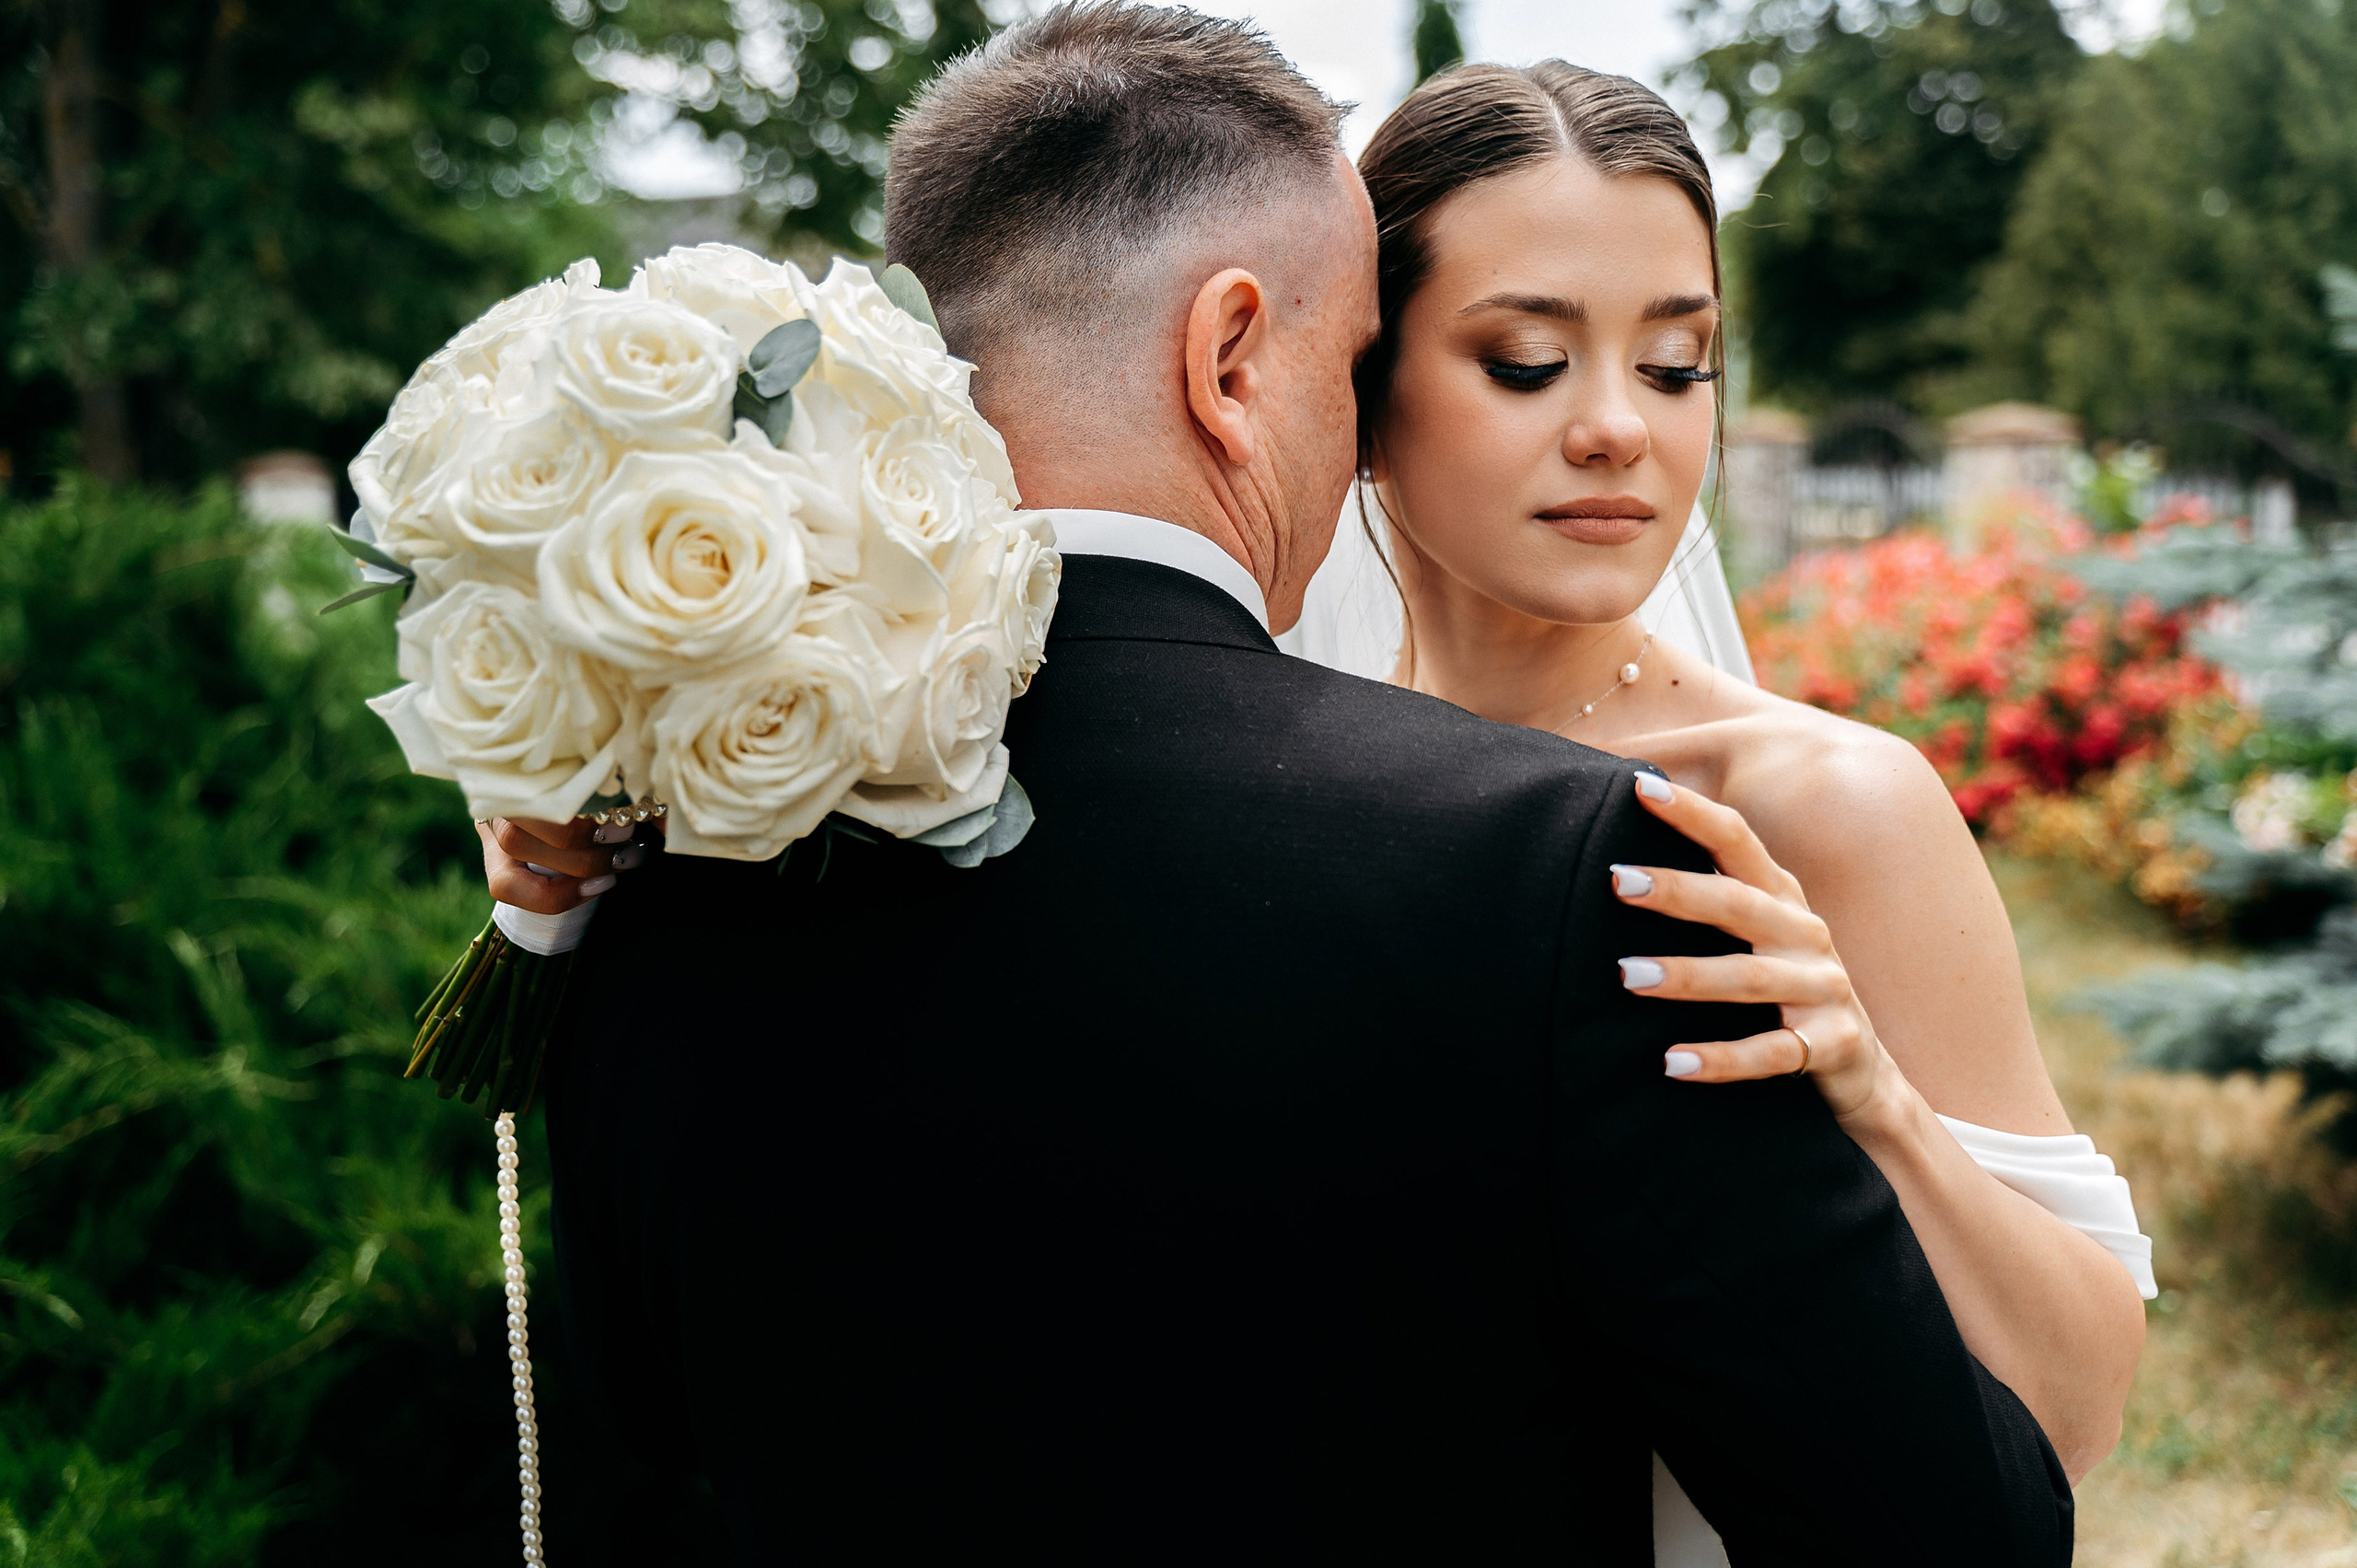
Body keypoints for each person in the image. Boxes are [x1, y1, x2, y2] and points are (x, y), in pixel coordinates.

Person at [482, 6, 2074, 1561]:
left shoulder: (658, 846)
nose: (1611, 429)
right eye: (1386, 356)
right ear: (1232, 357)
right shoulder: (1574, 874)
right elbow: (1947, 1525)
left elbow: (638, 1451)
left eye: (1678, 364)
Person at [1283, 61, 2152, 1564]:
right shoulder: (1288, 788)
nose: (1619, 427)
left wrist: (1870, 1088)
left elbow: (2075, 1410)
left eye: (1678, 365)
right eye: (1527, 363)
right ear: (1364, 390)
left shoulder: (1823, 806)